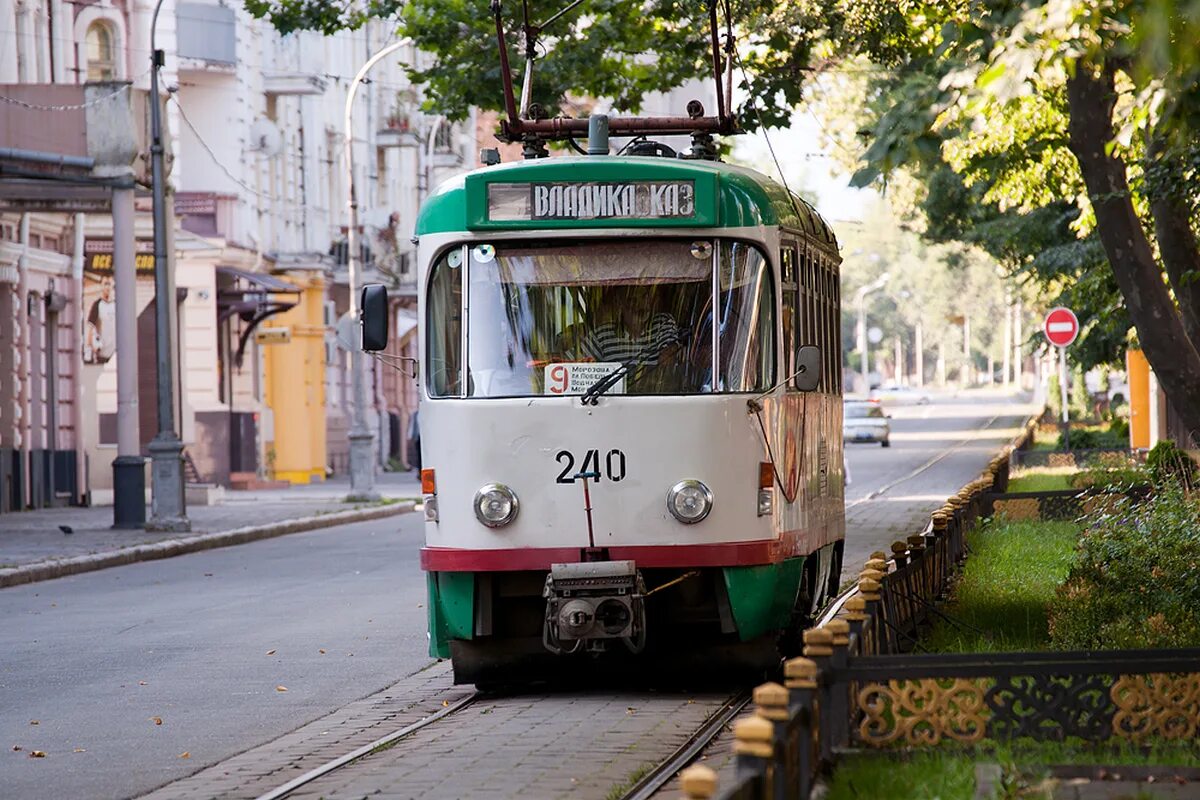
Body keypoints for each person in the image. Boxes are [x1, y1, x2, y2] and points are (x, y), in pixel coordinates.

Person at [577, 285, 686, 366]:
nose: (640, 305)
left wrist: (670, 352)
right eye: (632, 300)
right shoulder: (602, 336)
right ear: (620, 305)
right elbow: (574, 363)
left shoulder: (662, 323)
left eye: (644, 297)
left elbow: (669, 358)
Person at [84, 275, 116, 364]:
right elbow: (89, 328)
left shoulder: (118, 305)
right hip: (102, 354)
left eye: (109, 284)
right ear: (101, 286)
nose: (107, 287)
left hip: (116, 355)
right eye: (105, 284)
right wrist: (89, 349)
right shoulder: (97, 305)